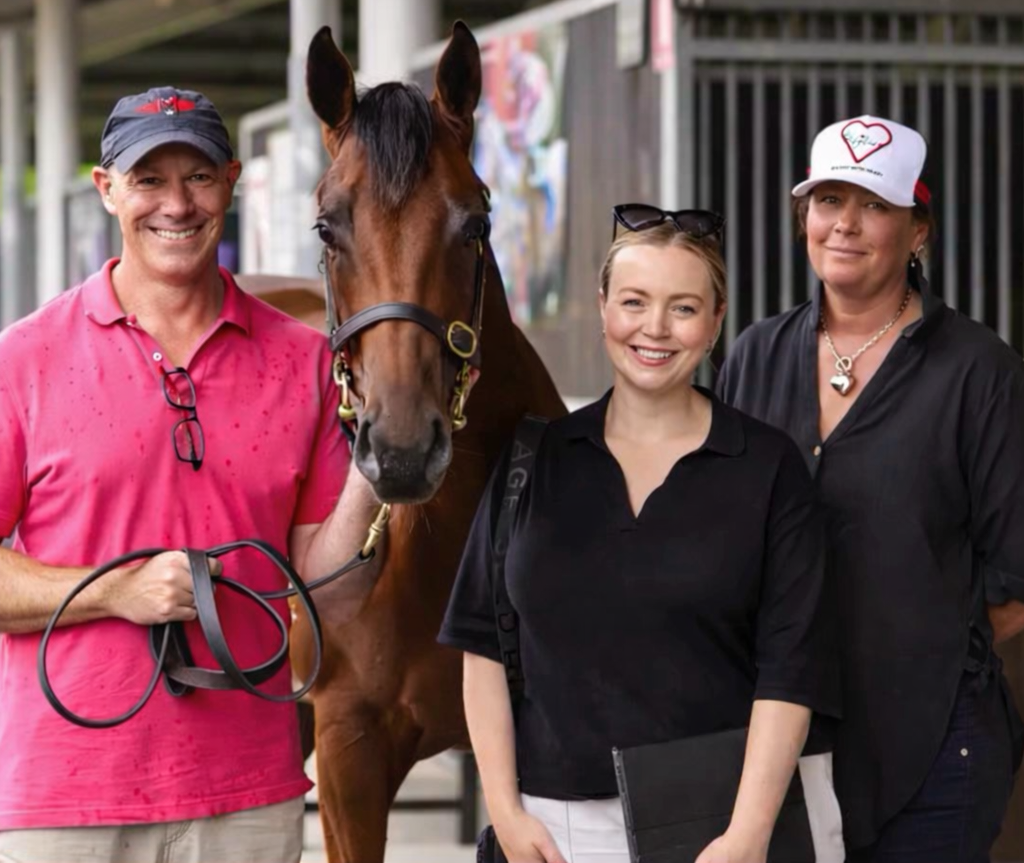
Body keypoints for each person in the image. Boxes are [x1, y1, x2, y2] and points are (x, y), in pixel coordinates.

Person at [0, 87, 379, 863]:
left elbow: (324, 583)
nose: (176, 204)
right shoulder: (23, 359)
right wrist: (116, 590)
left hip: (248, 799)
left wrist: (377, 472)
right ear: (107, 189)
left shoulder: (305, 361)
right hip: (65, 801)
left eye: (199, 177)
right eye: (149, 180)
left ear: (231, 182)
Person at [440, 206, 843, 863]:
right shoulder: (532, 462)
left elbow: (791, 671)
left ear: (716, 321)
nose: (655, 327)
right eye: (634, 302)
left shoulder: (769, 468)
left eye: (683, 308)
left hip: (720, 825)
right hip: (553, 830)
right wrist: (505, 811)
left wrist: (747, 834)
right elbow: (482, 647)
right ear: (603, 309)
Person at [717, 115, 1024, 862]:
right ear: (804, 218)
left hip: (932, 746)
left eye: (875, 204)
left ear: (918, 230)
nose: (845, 225)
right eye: (828, 200)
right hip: (773, 745)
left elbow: (1016, 582)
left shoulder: (980, 371)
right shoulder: (754, 355)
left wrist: (913, 647)